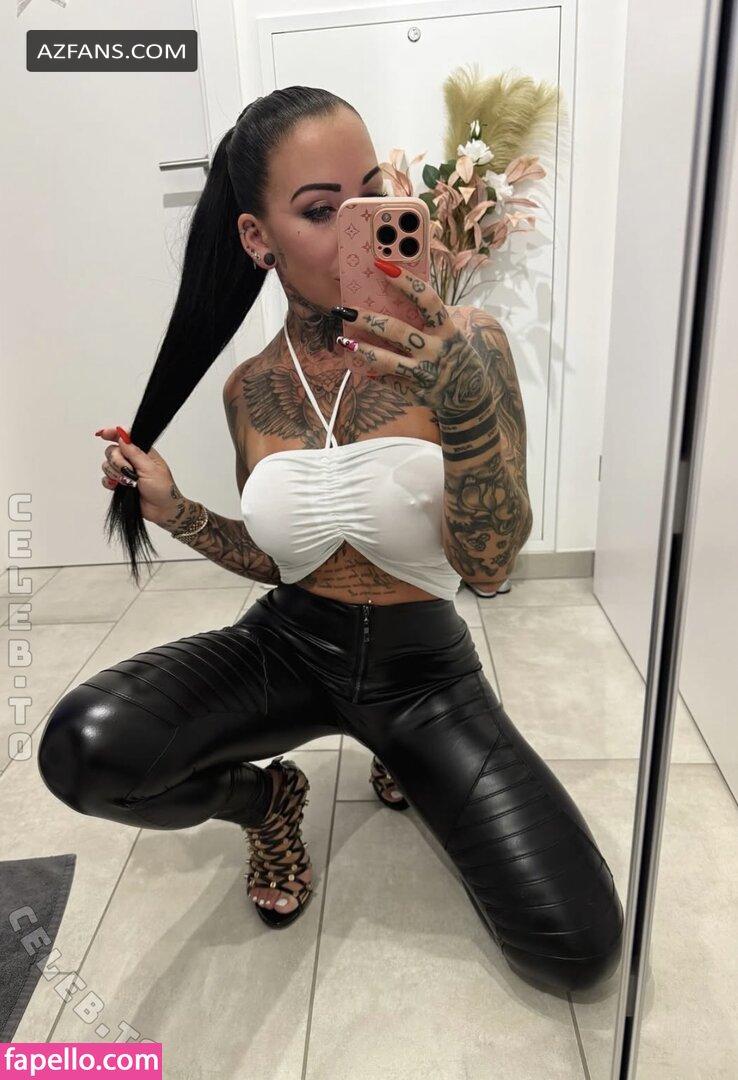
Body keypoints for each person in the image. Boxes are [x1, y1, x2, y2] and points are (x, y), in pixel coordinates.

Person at [37, 87, 623, 991]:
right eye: (322, 211)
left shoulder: (465, 344)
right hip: (289, 648)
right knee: (83, 749)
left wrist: (468, 415)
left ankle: (399, 752)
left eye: (375, 194)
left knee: (576, 948)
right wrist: (175, 509)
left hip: (423, 675)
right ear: (256, 238)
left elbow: (488, 566)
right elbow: (279, 560)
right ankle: (268, 800)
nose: (366, 226)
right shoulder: (248, 390)